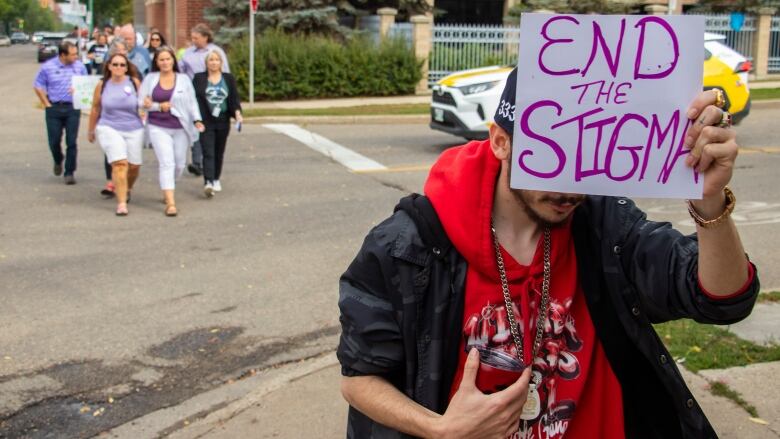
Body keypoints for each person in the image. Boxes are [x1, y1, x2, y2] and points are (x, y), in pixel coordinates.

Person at [337, 68, 760, 439]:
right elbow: (360, 377)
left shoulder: (604, 227)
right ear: (501, 142)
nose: (569, 189)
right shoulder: (410, 246)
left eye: (582, 161)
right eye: (549, 159)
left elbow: (720, 299)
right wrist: (441, 428)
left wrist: (710, 205)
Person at [139, 46, 204, 216]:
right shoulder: (150, 79)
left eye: (168, 59)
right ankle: (170, 202)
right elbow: (141, 102)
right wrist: (157, 106)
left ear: (173, 61)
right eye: (161, 60)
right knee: (166, 163)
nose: (165, 62)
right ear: (156, 62)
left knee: (179, 163)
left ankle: (169, 185)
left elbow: (192, 102)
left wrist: (197, 119)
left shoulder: (183, 79)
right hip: (158, 126)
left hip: (180, 126)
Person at [86, 53, 143, 216]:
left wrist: (145, 110)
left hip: (133, 127)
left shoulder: (134, 82)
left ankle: (127, 187)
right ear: (109, 66)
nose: (119, 68)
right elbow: (95, 108)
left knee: (134, 166)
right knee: (120, 164)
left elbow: (143, 104)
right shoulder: (102, 85)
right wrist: (91, 130)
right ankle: (122, 203)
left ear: (127, 67)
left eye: (122, 65)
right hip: (109, 127)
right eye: (115, 64)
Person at [33, 41, 87, 185]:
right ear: (63, 55)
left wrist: (80, 91)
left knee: (71, 141)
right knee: (54, 140)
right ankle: (58, 159)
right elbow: (38, 85)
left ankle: (69, 172)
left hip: (72, 108)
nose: (76, 57)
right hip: (54, 108)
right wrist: (46, 104)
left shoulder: (79, 67)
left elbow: (88, 85)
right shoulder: (48, 67)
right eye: (73, 54)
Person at [179, 23, 230, 177]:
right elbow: (180, 70)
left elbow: (225, 73)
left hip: (211, 95)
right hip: (192, 95)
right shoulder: (188, 53)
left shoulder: (215, 52)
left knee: (206, 128)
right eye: (192, 37)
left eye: (196, 37)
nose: (193, 40)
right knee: (196, 126)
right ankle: (197, 163)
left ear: (205, 37)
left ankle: (202, 162)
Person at [193, 50, 242, 198]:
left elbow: (233, 99)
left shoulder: (228, 79)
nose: (214, 63)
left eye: (217, 60)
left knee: (218, 152)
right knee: (208, 151)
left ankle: (215, 178)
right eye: (211, 60)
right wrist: (196, 119)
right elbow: (193, 99)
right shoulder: (199, 78)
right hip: (205, 121)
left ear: (221, 63)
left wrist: (237, 113)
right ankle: (208, 182)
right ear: (206, 63)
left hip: (222, 121)